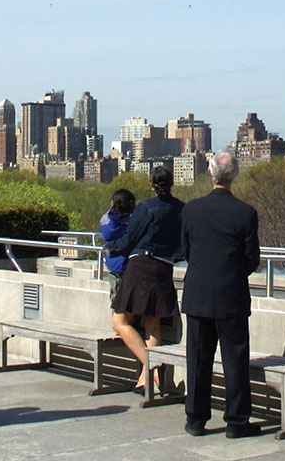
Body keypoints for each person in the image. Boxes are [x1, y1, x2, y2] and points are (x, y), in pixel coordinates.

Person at [179, 150, 261, 438]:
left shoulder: (190, 210)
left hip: (198, 294)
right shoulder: (246, 213)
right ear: (235, 175)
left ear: (210, 173)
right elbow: (252, 260)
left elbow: (186, 251)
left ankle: (195, 418)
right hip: (232, 296)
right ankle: (237, 421)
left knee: (198, 359)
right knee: (235, 360)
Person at [102, 165, 185, 394]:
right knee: (152, 325)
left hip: (141, 266)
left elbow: (130, 239)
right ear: (171, 183)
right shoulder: (182, 209)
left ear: (152, 184)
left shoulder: (146, 207)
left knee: (119, 322)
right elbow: (185, 242)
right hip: (164, 267)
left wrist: (111, 249)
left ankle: (153, 370)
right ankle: (145, 381)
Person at [99, 188, 142, 389]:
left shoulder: (109, 222)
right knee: (124, 311)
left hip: (115, 267)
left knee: (117, 301)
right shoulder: (132, 221)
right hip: (129, 268)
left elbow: (106, 228)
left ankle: (124, 326)